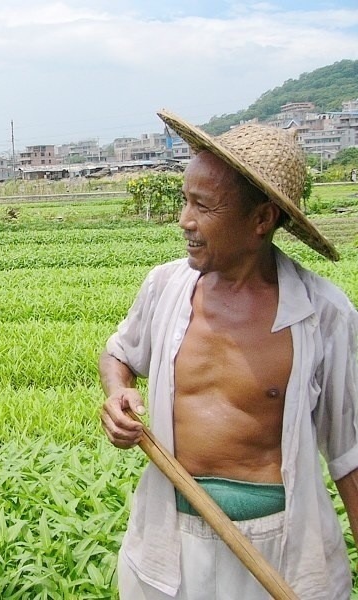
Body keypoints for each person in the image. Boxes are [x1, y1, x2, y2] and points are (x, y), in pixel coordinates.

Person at [99, 109, 358, 599]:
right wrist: (118, 393)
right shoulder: (164, 286)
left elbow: (350, 455)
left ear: (262, 219)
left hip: (277, 547)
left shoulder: (323, 313)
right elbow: (120, 354)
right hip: (169, 541)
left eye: (204, 206)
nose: (185, 221)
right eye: (184, 201)